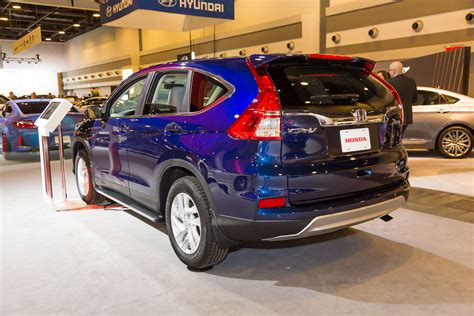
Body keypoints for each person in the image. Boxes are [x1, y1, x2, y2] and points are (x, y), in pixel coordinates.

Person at [388, 61, 417, 134]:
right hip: (407, 116)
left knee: (392, 138)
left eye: (389, 70)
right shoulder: (411, 81)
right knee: (400, 137)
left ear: (394, 71)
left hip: (395, 115)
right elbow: (414, 99)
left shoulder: (389, 83)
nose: (389, 73)